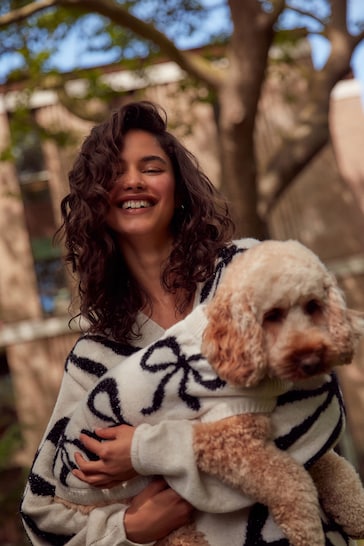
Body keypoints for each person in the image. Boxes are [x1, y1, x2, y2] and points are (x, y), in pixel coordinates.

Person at [21, 100, 352, 546]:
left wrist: (155, 453)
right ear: (94, 199)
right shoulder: (95, 354)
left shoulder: (251, 273)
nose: (133, 180)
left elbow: (319, 411)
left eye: (151, 167)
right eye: (114, 171)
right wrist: (130, 529)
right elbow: (43, 513)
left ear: (178, 185)